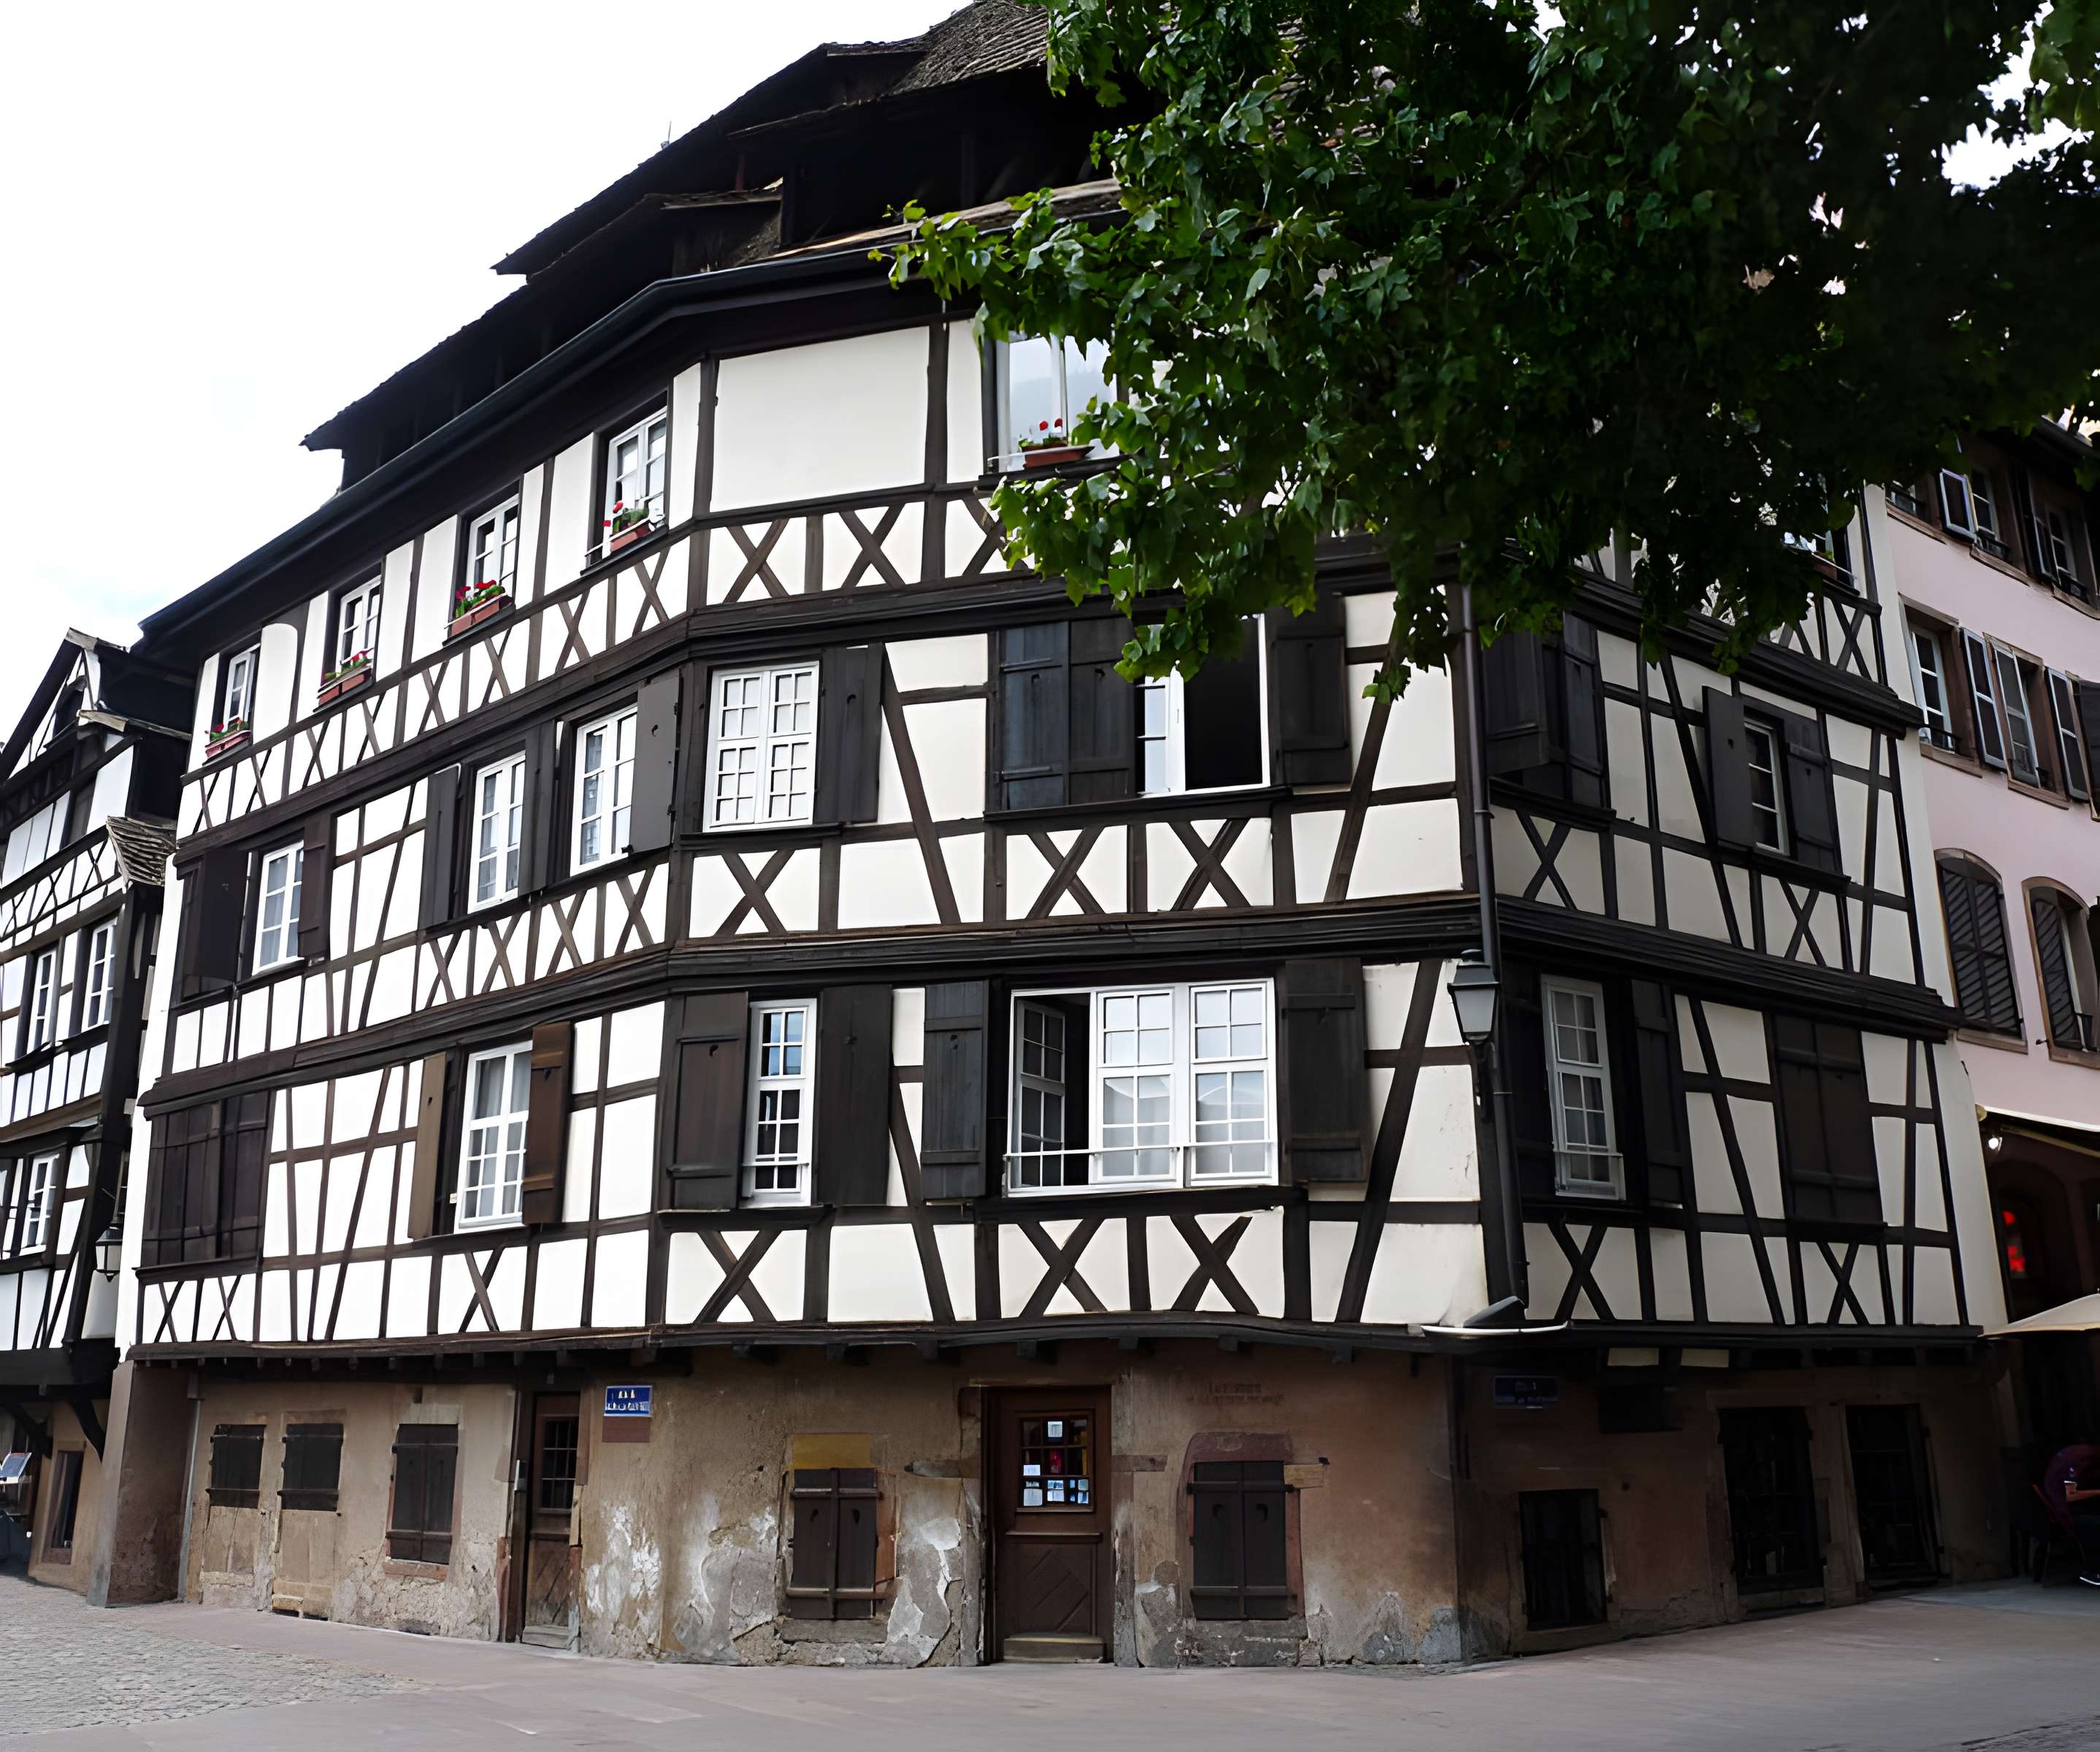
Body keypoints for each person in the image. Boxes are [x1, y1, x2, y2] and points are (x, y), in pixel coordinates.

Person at [2041, 1442, 2100, 1586]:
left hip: (2073, 1508)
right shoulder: (2077, 1459)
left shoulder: (2084, 1458)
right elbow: (2071, 1495)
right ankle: (2093, 1571)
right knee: (2095, 1525)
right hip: (2064, 1512)